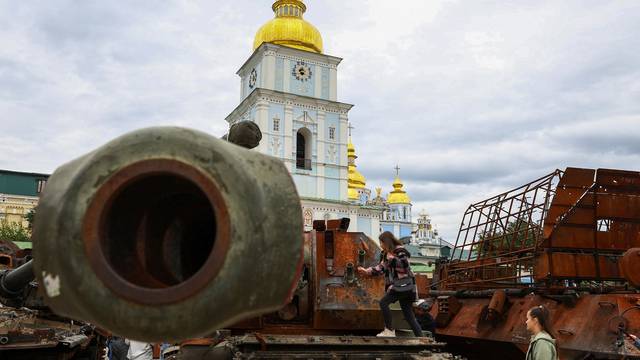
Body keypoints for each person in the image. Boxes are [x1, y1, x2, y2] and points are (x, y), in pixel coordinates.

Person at [357, 231, 423, 337]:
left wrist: (391, 259)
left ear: (387, 242)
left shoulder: (400, 250)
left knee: (383, 303)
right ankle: (421, 338)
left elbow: (404, 265)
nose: (381, 245)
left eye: (382, 243)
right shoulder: (388, 254)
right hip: (404, 287)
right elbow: (381, 267)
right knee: (409, 315)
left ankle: (389, 330)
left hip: (402, 285)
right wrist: (366, 271)